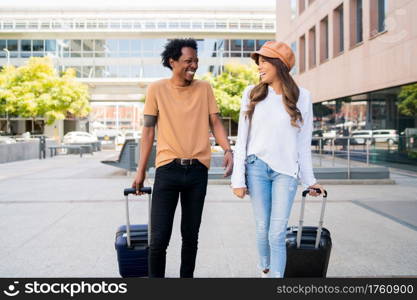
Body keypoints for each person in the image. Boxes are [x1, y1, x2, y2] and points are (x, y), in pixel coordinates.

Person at [132, 38, 233, 278]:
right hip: (167, 169)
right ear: (172, 61)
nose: (194, 65)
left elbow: (215, 121)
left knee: (191, 237)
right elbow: (148, 131)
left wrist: (228, 149)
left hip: (197, 170)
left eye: (196, 60)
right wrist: (141, 171)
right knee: (158, 240)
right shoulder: (156, 89)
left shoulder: (204, 88)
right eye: (188, 61)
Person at [231, 41, 325, 278]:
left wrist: (309, 181)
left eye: (264, 62)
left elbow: (303, 144)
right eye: (258, 62)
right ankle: (265, 268)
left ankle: (275, 279)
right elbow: (242, 140)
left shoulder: (302, 97)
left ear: (279, 65)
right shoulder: (251, 93)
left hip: (286, 172)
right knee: (262, 229)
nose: (259, 67)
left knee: (277, 232)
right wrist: (237, 179)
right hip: (256, 168)